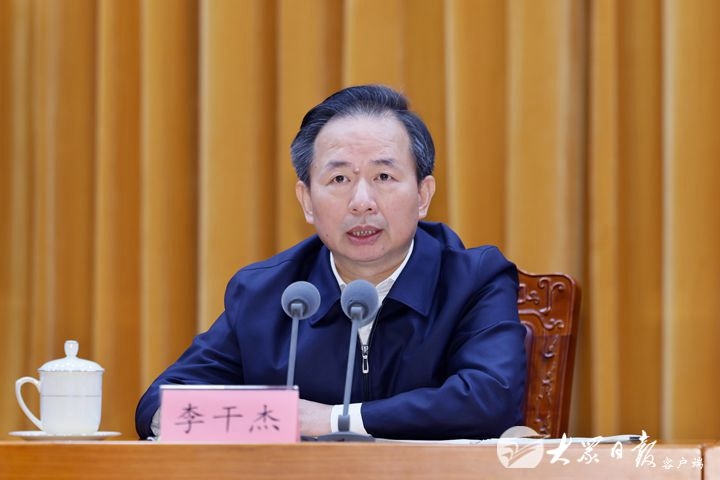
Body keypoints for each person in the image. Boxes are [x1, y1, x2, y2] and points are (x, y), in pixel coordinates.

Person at [135, 84, 527, 440]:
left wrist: (333, 420)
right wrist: (271, 418)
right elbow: (162, 404)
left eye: (384, 176)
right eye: (339, 179)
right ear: (307, 200)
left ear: (423, 195)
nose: (362, 202)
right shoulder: (264, 293)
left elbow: (491, 398)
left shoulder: (473, 280)